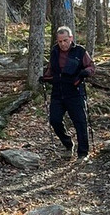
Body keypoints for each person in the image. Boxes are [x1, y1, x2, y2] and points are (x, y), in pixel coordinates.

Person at [40, 26, 95, 161]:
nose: (63, 44)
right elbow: (51, 69)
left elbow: (91, 66)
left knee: (80, 122)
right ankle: (68, 144)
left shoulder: (80, 51)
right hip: (58, 91)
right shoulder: (54, 51)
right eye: (60, 41)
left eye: (65, 40)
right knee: (54, 120)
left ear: (71, 38)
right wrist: (45, 78)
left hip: (75, 91)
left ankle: (83, 153)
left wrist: (85, 72)